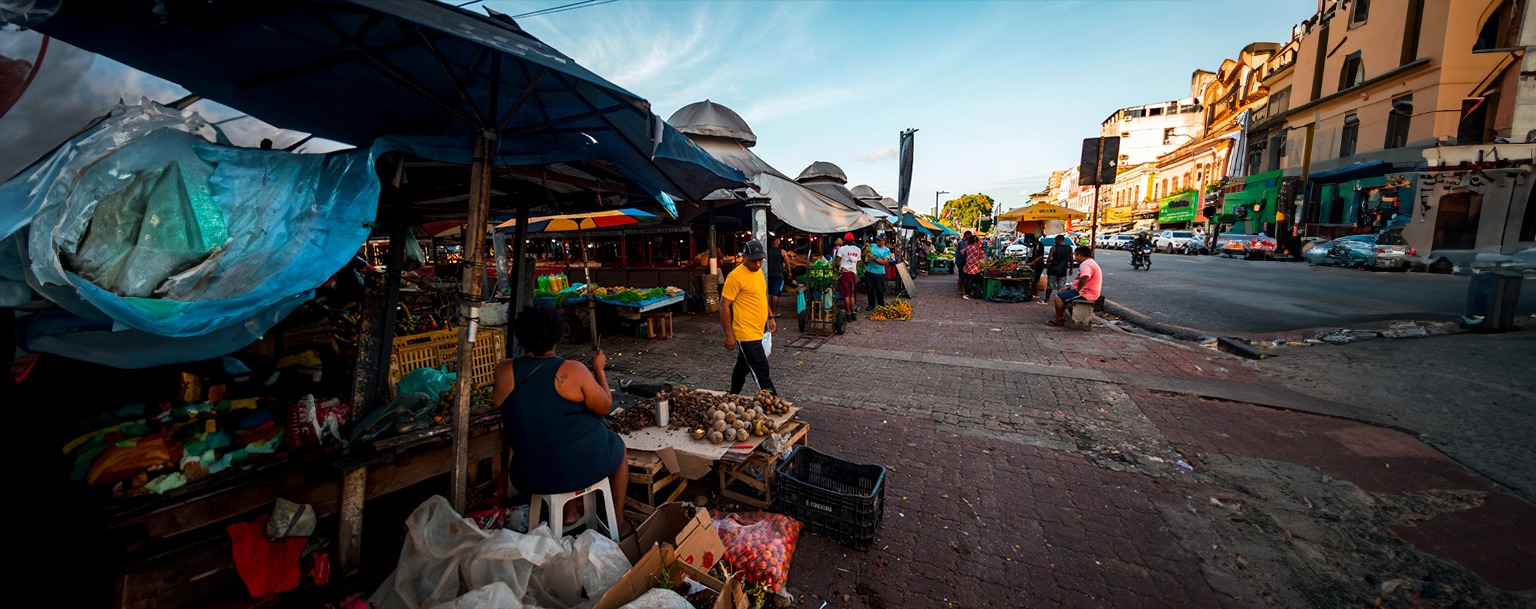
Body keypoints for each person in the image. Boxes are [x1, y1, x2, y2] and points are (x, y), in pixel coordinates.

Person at [494, 307, 632, 536]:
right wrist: (598, 369)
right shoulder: (573, 370)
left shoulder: (504, 371)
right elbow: (605, 405)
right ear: (558, 337)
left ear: (520, 337)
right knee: (617, 447)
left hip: (530, 474)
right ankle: (618, 521)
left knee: (555, 437)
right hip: (581, 467)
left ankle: (571, 512)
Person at [721, 239, 777, 394]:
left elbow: (760, 297)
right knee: (761, 370)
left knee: (742, 367)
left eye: (760, 260)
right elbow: (724, 306)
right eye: (754, 261)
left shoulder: (758, 272)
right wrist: (729, 335)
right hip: (746, 333)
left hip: (758, 330)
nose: (758, 264)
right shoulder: (735, 277)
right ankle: (773, 402)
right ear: (744, 257)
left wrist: (770, 317)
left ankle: (733, 395)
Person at [1048, 246, 1102, 327]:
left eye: (1075, 255)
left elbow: (1085, 277)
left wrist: (1079, 289)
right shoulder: (1089, 262)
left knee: (1058, 297)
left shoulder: (1086, 264)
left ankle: (1059, 319)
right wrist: (1069, 287)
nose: (1075, 257)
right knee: (1062, 293)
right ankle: (1061, 316)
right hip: (1085, 291)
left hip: (1087, 293)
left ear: (1079, 255)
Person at [834, 233, 862, 319]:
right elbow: (858, 263)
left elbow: (838, 262)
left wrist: (839, 268)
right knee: (851, 294)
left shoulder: (841, 249)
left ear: (844, 240)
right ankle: (853, 313)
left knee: (846, 295)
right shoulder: (858, 250)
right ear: (853, 240)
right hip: (853, 273)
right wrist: (852, 267)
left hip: (844, 273)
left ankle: (848, 314)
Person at [864, 234, 893, 310]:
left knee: (879, 290)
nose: (878, 242)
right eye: (877, 240)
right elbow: (864, 252)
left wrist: (874, 259)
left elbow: (884, 262)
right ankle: (871, 304)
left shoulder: (886, 250)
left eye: (879, 240)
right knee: (870, 289)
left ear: (883, 241)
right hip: (869, 270)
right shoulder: (872, 246)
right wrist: (865, 247)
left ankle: (880, 304)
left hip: (879, 272)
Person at [1044, 236, 1074, 303]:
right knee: (1061, 287)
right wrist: (1071, 269)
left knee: (1050, 286)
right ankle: (1060, 300)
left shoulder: (1054, 248)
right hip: (1063, 270)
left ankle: (1047, 300)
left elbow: (1049, 259)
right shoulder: (1069, 248)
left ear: (1057, 240)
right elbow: (1071, 259)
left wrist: (1048, 267)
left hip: (1053, 269)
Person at [765, 235, 786, 317]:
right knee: (775, 294)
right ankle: (774, 312)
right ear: (777, 242)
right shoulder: (782, 251)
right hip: (778, 276)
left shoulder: (766, 251)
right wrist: (789, 272)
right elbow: (787, 263)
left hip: (768, 275)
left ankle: (768, 311)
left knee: (769, 293)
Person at [961, 234, 984, 299]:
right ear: (975, 241)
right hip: (974, 266)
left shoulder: (967, 247)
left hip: (968, 265)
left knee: (968, 279)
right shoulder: (977, 249)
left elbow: (962, 252)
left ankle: (966, 292)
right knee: (971, 280)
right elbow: (982, 255)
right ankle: (966, 294)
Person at [955, 230, 973, 296]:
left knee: (962, 276)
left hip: (961, 261)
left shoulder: (963, 242)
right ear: (966, 235)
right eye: (969, 236)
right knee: (961, 276)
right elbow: (964, 251)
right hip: (960, 261)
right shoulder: (961, 242)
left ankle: (961, 289)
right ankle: (960, 289)